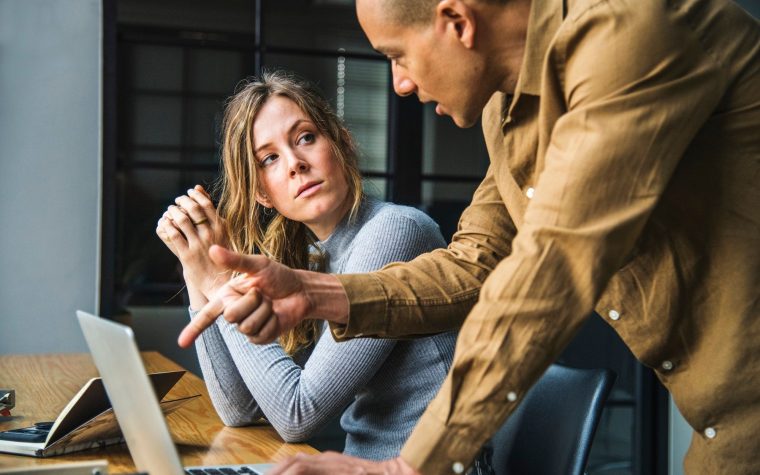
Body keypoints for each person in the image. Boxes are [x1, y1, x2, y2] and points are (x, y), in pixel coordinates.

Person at [179, 0, 760, 474]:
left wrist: (406, 468)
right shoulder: (506, 112)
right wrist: (316, 292)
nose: (400, 84)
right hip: (722, 428)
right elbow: (474, 264)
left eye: (397, 56)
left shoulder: (628, 36)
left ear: (457, 22)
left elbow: (549, 271)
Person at [156, 71, 474, 464]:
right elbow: (238, 410)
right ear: (261, 193)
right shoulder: (312, 257)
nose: (295, 164)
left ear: (341, 142)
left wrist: (219, 281)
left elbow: (297, 414)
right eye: (269, 158)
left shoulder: (395, 231)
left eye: (305, 137)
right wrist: (195, 268)